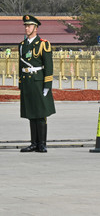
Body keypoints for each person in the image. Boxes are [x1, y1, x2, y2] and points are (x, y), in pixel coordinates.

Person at [19, 15, 56, 153]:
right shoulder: (22, 45)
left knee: (40, 114)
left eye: (29, 26)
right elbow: (20, 66)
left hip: (38, 81)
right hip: (28, 83)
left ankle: (42, 143)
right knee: (31, 113)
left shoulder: (43, 44)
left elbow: (48, 66)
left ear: (36, 28)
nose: (26, 28)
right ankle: (33, 143)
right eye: (25, 26)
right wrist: (21, 83)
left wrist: (47, 85)